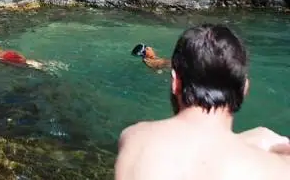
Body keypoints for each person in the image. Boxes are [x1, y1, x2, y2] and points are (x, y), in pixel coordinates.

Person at [115, 24, 290, 180]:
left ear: (175, 82)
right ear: (244, 89)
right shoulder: (277, 166)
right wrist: (252, 142)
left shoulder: (134, 139)